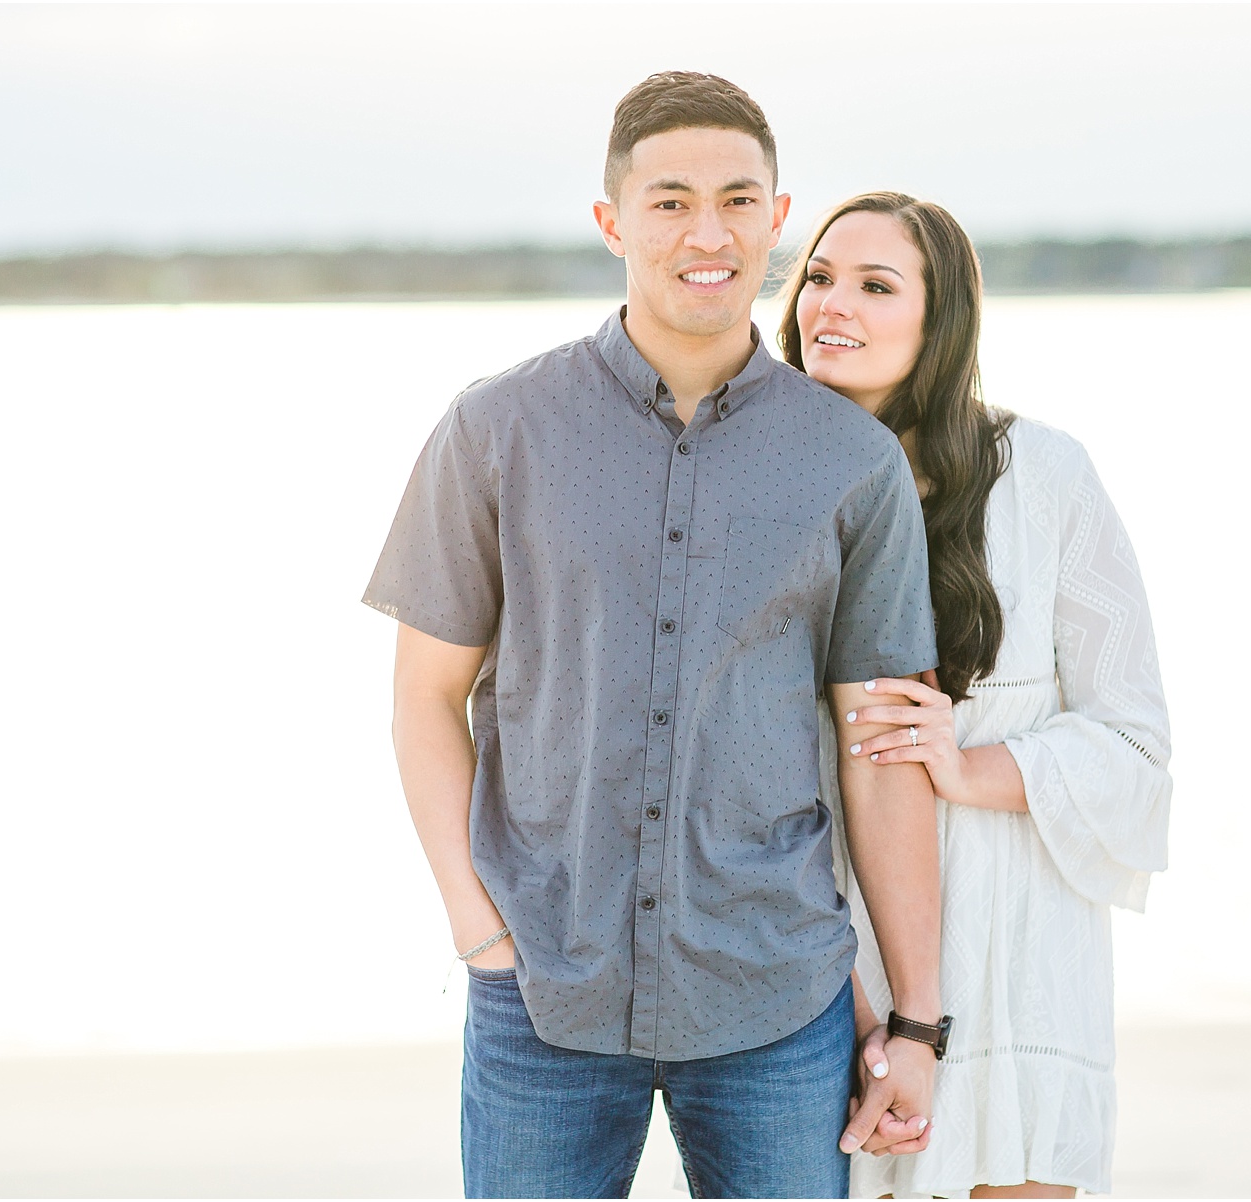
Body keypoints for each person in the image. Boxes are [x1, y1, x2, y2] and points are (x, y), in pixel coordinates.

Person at [363, 77, 950, 1199]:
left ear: (779, 219)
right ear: (612, 222)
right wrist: (478, 930)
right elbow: (424, 700)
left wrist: (917, 1019)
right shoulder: (496, 428)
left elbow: (883, 754)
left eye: (738, 199)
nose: (708, 233)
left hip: (778, 1000)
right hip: (542, 990)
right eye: (670, 200)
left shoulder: (851, 463)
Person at [779, 193, 1174, 1198]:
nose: (834, 303)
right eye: (820, 276)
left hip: (1020, 963)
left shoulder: (1040, 475)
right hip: (837, 966)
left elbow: (1135, 746)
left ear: (940, 317)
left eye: (876, 285)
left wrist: (966, 763)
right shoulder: (761, 481)